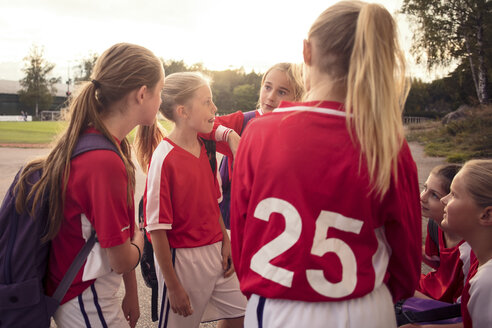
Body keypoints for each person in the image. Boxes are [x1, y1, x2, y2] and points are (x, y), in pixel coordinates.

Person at [230, 2, 422, 327]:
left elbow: (243, 236)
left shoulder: (261, 132)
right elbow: (406, 260)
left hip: (279, 307)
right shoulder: (388, 143)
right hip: (364, 308)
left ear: (306, 52)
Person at [13, 43, 164, 327]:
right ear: (142, 94)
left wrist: (131, 291)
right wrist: (141, 234)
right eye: (160, 91)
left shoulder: (100, 141)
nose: (160, 100)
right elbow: (122, 257)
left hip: (84, 294)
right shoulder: (103, 161)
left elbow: (116, 228)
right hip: (85, 299)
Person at [135, 72, 247, 328]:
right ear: (183, 112)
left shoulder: (206, 150)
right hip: (183, 261)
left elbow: (213, 204)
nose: (214, 108)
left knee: (244, 310)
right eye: (207, 102)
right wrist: (173, 286)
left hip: (216, 252)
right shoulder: (164, 159)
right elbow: (156, 229)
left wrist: (225, 240)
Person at [203, 62, 305, 228]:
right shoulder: (243, 121)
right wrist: (230, 136)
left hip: (273, 224)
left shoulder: (300, 134)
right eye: (267, 87)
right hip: (233, 222)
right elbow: (201, 125)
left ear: (298, 97)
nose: (270, 97)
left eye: (281, 92)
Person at [416, 164, 471, 303]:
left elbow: (462, 314)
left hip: (448, 305)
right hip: (434, 288)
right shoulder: (435, 224)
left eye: (434, 195)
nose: (422, 197)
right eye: (425, 188)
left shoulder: (471, 251)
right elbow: (436, 260)